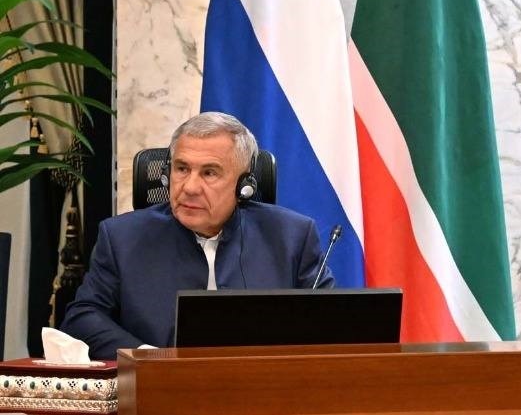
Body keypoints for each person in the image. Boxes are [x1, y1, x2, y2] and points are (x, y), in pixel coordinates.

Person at [62, 112, 332, 359]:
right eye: (181, 169)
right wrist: (147, 358)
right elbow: (82, 318)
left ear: (244, 186)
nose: (190, 187)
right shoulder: (122, 238)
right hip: (160, 389)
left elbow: (332, 323)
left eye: (209, 173)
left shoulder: (291, 237)